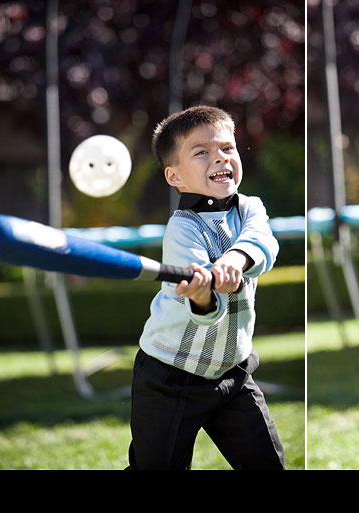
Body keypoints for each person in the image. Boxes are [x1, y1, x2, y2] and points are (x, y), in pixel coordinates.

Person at [127, 105, 285, 470]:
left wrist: (234, 259)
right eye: (201, 152)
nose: (220, 158)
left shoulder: (250, 208)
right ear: (174, 176)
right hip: (170, 376)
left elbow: (264, 244)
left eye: (227, 148)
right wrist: (201, 297)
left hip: (233, 370)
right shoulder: (182, 229)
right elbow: (203, 311)